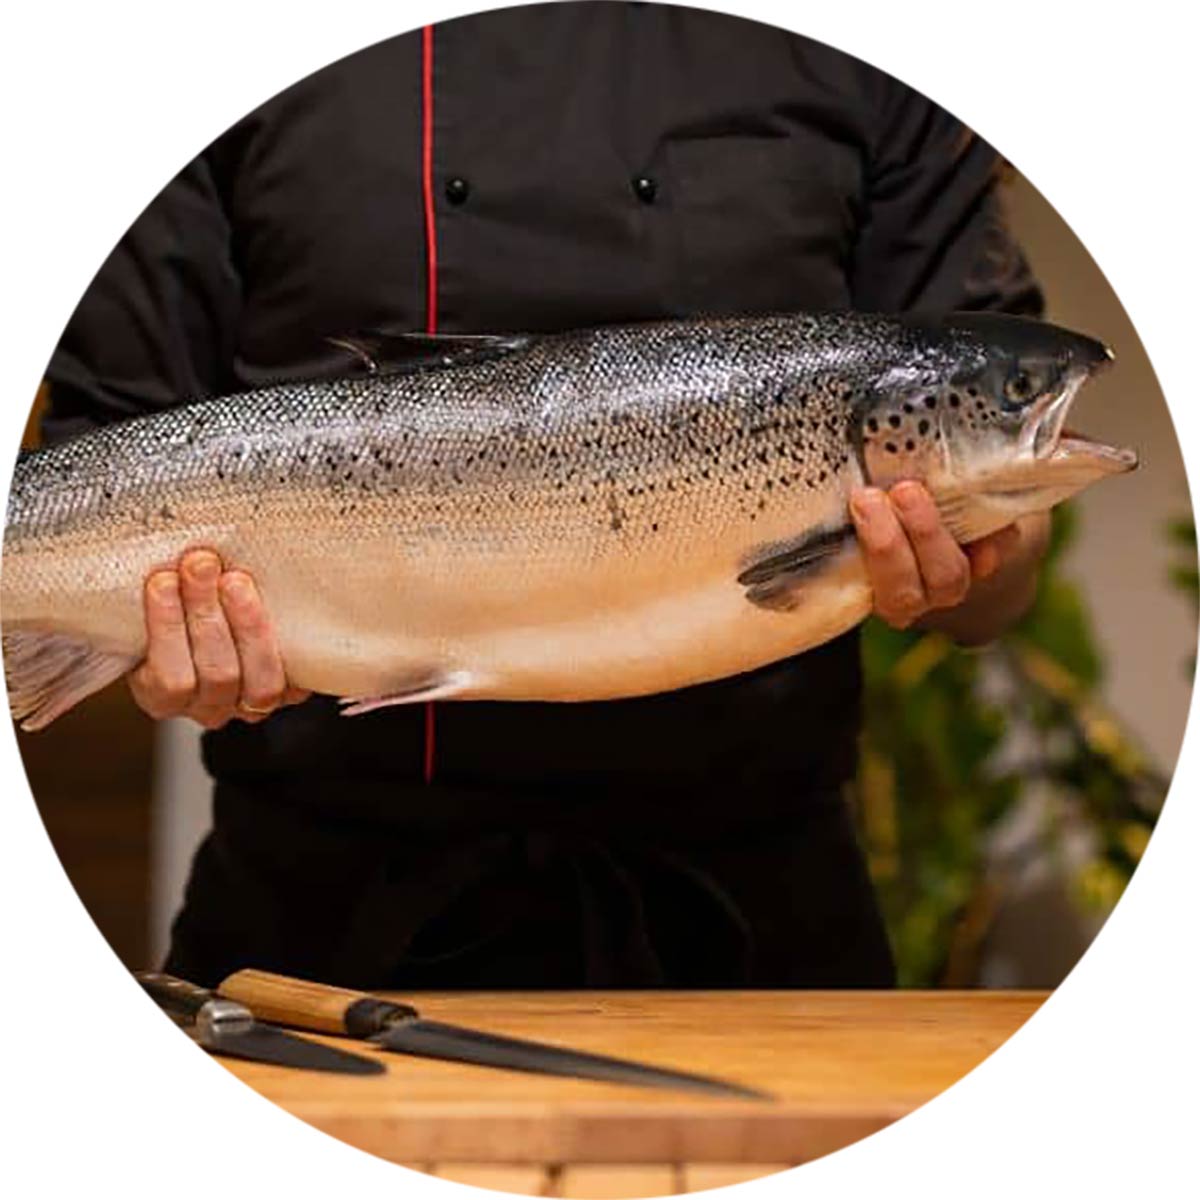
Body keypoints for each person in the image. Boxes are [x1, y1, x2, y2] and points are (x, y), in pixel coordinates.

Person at [45, 2, 1047, 990]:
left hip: (753, 916)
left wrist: (984, 557)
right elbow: (110, 452)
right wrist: (166, 632)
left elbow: (1007, 526)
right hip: (319, 928)